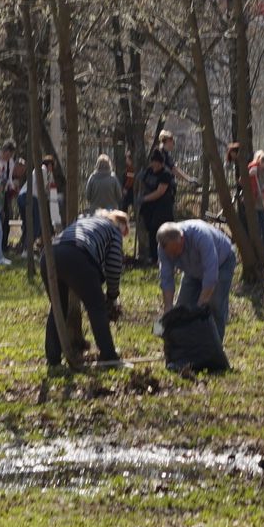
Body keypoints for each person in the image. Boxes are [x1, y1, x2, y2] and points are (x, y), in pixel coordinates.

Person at [46, 210, 129, 373]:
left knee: (58, 308)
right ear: (121, 225)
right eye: (125, 230)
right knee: (96, 306)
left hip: (50, 254)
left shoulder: (84, 222)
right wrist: (112, 296)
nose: (124, 235)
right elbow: (113, 266)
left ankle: (53, 359)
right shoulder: (113, 230)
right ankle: (109, 357)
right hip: (77, 255)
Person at [157, 219, 237, 344]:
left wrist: (200, 307)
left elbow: (211, 275)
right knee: (182, 307)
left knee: (214, 305)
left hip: (221, 263)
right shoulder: (163, 248)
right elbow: (166, 278)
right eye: (170, 253)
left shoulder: (201, 236)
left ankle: (214, 346)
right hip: (192, 270)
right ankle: (184, 345)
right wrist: (168, 308)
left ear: (182, 238)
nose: (174, 256)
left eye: (176, 251)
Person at [136, 150, 174, 257]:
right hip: (150, 208)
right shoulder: (149, 171)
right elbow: (142, 181)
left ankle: (164, 255)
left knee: (161, 231)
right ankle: (153, 257)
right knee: (151, 232)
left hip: (162, 208)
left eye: (157, 163)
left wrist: (144, 199)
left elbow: (160, 192)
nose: (155, 165)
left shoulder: (166, 174)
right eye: (153, 162)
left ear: (162, 163)